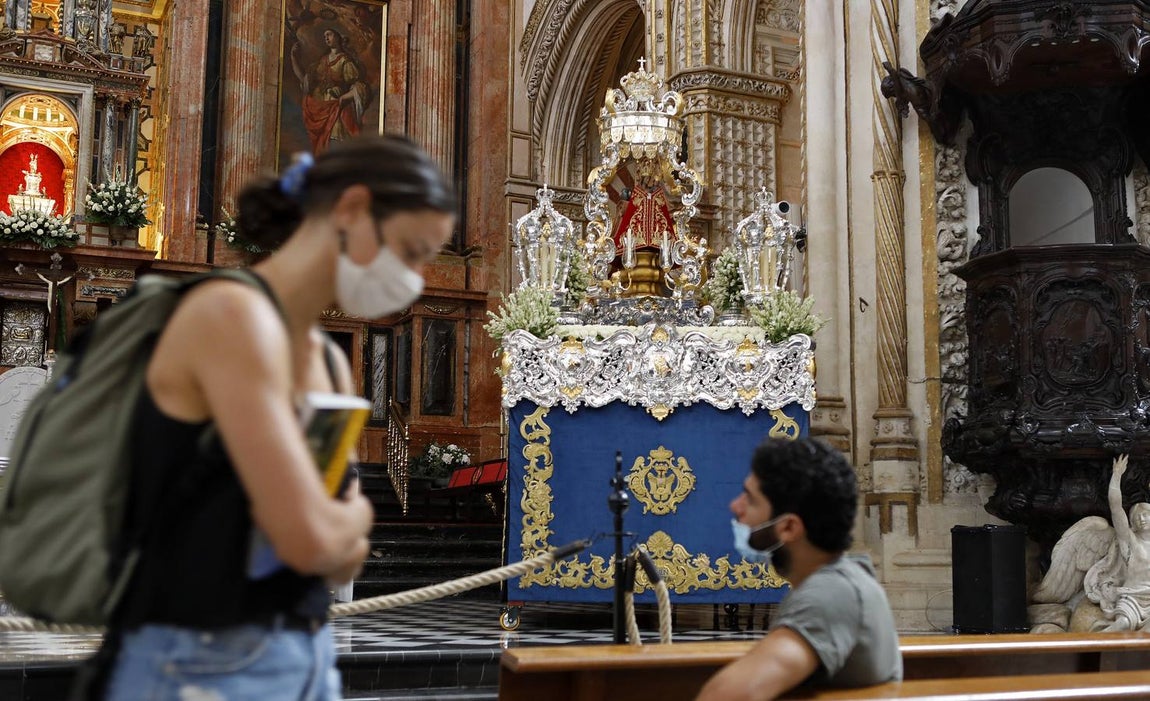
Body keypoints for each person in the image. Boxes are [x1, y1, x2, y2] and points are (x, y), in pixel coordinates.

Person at [99, 135, 456, 700]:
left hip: (305, 649)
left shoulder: (326, 363)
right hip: (199, 658)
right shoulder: (228, 316)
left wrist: (331, 530)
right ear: (352, 209)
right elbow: (315, 539)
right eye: (410, 250)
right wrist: (333, 528)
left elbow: (341, 560)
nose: (413, 278)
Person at [695, 438, 901, 701]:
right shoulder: (842, 580)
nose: (735, 506)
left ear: (789, 528)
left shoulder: (830, 594)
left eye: (751, 499)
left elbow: (728, 695)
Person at [291, 28, 371, 154]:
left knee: (334, 141)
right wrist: (293, 58)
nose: (326, 38)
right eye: (324, 36)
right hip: (320, 108)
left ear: (338, 37)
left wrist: (342, 99)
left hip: (336, 109)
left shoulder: (344, 61)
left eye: (329, 34)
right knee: (322, 146)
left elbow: (360, 87)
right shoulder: (322, 61)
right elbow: (306, 80)